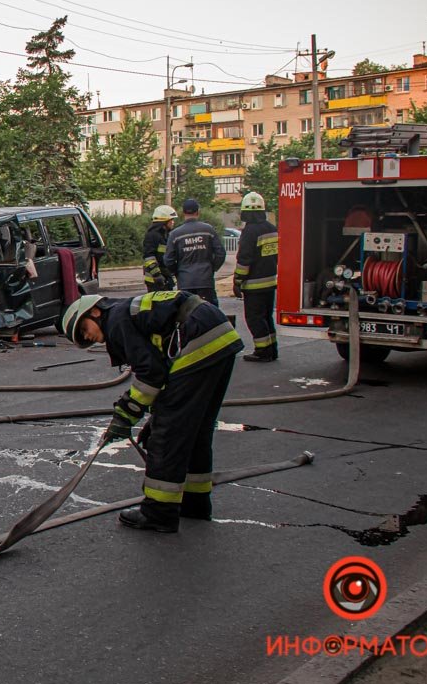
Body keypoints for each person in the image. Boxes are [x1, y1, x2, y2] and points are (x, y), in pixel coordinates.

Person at [60, 290, 244, 533]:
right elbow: (163, 373)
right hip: (220, 338)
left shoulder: (116, 321)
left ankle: (159, 513)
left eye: (84, 329)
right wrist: (155, 417)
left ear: (94, 311)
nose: (88, 337)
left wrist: (125, 416)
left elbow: (151, 374)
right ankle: (195, 503)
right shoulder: (126, 313)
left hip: (199, 341)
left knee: (167, 437)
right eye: (83, 337)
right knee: (195, 431)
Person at [234, 192, 279, 362]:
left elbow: (244, 259)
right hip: (270, 281)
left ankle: (263, 351)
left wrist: (238, 281)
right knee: (266, 317)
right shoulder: (272, 228)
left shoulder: (249, 231)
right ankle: (272, 349)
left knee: (254, 318)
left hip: (254, 284)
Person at [164, 198, 225, 305]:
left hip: (185, 282)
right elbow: (220, 253)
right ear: (198, 212)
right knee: (209, 311)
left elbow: (168, 260)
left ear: (183, 213)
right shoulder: (208, 230)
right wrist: (212, 268)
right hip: (205, 281)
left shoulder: (175, 234)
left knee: (187, 312)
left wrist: (178, 273)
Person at [142, 205, 177, 292]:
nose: (173, 222)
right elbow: (149, 257)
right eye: (171, 220)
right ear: (164, 221)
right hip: (155, 280)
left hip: (166, 277)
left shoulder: (166, 235)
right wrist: (157, 275)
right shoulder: (152, 235)